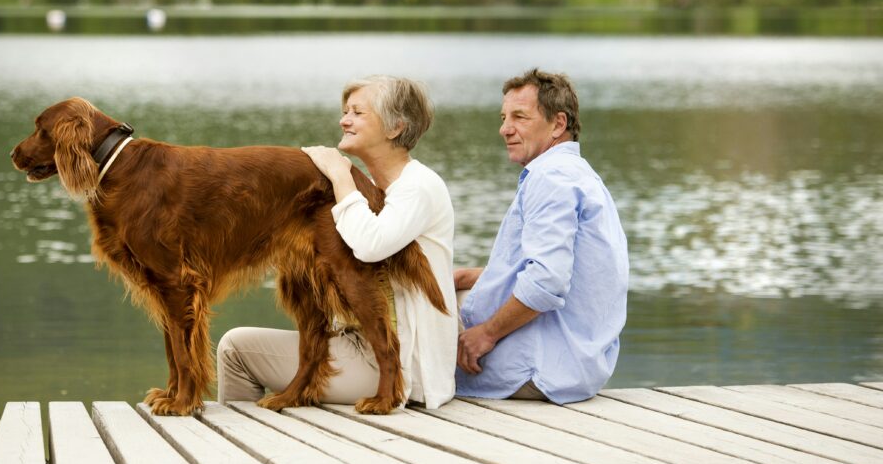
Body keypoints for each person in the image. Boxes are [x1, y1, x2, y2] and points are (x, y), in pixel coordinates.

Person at [217, 75, 458, 409]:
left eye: (358, 113)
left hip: (400, 366)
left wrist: (341, 175)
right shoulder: (373, 188)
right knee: (239, 341)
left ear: (394, 128)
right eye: (346, 111)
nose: (344, 120)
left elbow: (370, 243)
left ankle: (235, 446)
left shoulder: (419, 186)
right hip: (358, 345)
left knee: (236, 350)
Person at [454, 69, 628, 404]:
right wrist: (474, 276)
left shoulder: (550, 178)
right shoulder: (578, 175)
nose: (505, 129)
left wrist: (486, 335)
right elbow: (570, 271)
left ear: (558, 124)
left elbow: (547, 281)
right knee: (449, 290)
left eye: (520, 117)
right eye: (504, 117)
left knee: (410, 341)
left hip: (542, 368)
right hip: (581, 363)